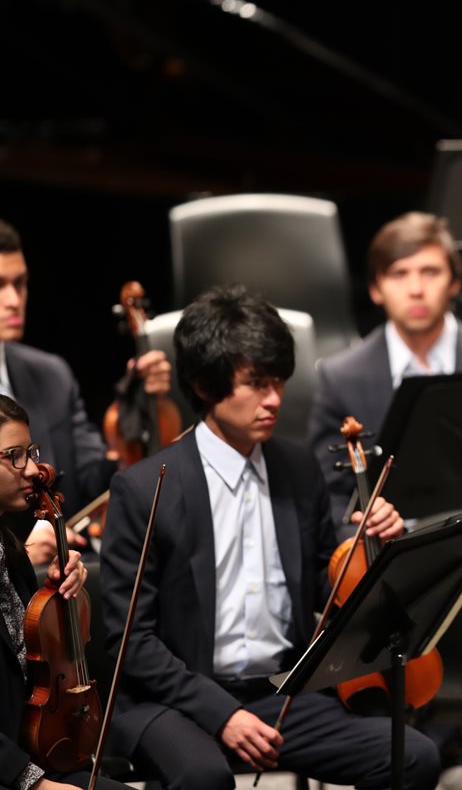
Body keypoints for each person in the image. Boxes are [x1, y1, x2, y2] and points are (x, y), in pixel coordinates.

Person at [100, 285, 440, 790]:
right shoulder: (145, 487)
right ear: (203, 384)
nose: (275, 399)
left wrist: (373, 548)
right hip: (175, 698)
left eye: (279, 381)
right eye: (256, 383)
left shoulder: (299, 469)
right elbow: (130, 641)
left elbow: (333, 588)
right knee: (203, 776)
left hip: (280, 693)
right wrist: (221, 714)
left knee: (413, 756)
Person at [307, 211, 462, 525]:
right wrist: (364, 543)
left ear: (454, 283)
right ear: (375, 289)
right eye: (399, 274)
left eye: (430, 272)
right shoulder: (341, 377)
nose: (415, 288)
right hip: (385, 559)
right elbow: (330, 497)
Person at [0, 220, 171, 561]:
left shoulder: (52, 376)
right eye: (0, 286)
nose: (14, 300)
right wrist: (16, 555)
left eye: (21, 284)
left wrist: (130, 424)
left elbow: (93, 482)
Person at [0, 394, 129, 790]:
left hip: (34, 748)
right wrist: (34, 783)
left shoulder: (8, 546)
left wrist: (55, 593)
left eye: (31, 452)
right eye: (14, 455)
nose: (35, 469)